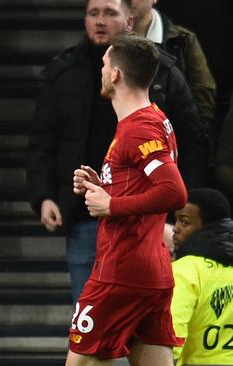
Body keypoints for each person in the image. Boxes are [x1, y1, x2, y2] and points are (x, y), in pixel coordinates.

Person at [26, 0, 208, 304]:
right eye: (93, 13)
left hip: (143, 223)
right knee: (134, 331)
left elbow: (185, 163)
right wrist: (45, 194)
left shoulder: (148, 109)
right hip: (88, 212)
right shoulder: (64, 71)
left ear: (129, 21)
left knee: (96, 333)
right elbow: (43, 138)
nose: (99, 21)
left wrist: (172, 216)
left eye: (110, 13)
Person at [68, 34, 186, 365]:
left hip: (121, 270)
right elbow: (145, 183)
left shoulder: (139, 128)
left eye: (105, 64)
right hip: (151, 270)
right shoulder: (156, 119)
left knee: (80, 361)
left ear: (116, 74)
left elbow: (174, 192)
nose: (101, 70)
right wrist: (104, 186)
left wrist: (111, 205)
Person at [170, 188, 233, 365]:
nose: (175, 228)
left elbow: (172, 332)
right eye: (175, 220)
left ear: (208, 227)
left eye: (184, 222)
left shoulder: (185, 270)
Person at [131, 0, 216, 130]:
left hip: (171, 139)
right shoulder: (103, 40)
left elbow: (203, 95)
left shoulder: (182, 40)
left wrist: (195, 141)